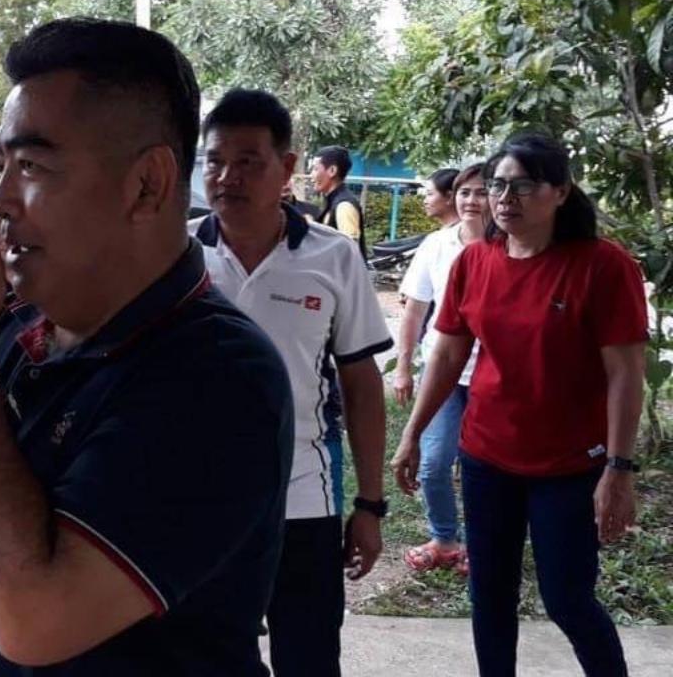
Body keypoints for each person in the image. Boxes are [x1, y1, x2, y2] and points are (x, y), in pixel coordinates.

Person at [0, 18, 293, 676]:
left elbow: (34, 619)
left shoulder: (220, 374)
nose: (0, 202)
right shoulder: (3, 322)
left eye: (31, 166)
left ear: (147, 184)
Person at [392, 132, 646, 676]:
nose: (505, 198)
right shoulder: (473, 262)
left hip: (570, 464)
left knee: (567, 598)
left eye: (523, 186)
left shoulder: (603, 266)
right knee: (489, 594)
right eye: (497, 185)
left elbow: (626, 375)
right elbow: (447, 353)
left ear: (561, 192)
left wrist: (618, 468)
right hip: (487, 455)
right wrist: (412, 433)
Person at [192, 88, 392, 677]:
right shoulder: (176, 255)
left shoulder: (333, 257)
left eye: (247, 162)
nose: (226, 177)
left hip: (303, 497)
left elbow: (361, 384)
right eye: (214, 161)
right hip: (194, 501)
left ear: (287, 168)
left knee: (308, 657)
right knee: (203, 659)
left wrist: (370, 505)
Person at [391, 163, 490, 574]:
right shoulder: (436, 245)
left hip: (492, 378)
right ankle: (444, 538)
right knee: (433, 463)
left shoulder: (511, 246)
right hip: (443, 372)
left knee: (483, 468)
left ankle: (482, 545)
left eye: (481, 192)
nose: (472, 200)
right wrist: (403, 367)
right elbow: (414, 310)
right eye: (465, 192)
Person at [311, 145, 366, 257]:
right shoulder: (332, 201)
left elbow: (350, 251)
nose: (312, 175)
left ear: (332, 171)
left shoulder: (344, 206)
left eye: (315, 169)